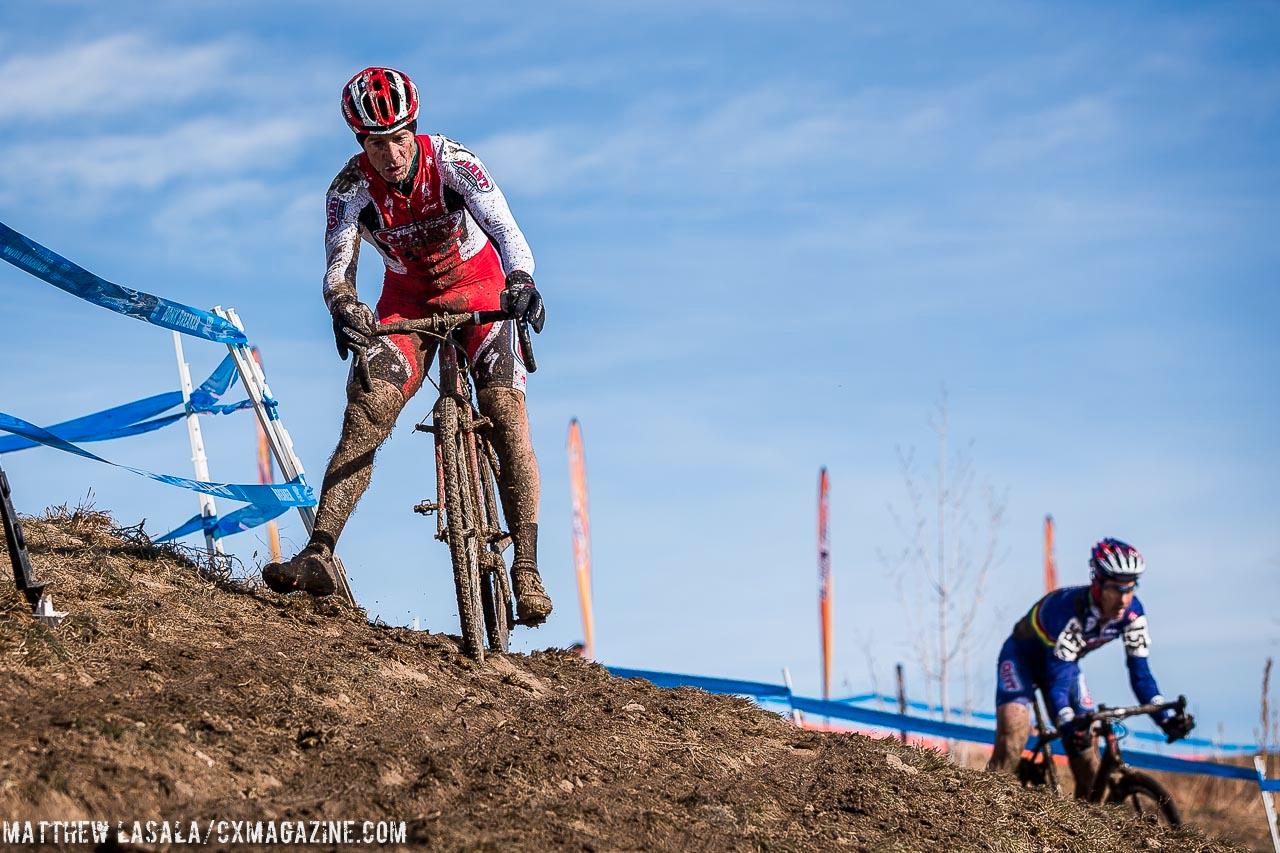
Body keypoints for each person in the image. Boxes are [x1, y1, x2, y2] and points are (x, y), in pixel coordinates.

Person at [262, 67, 552, 626]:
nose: (392, 154)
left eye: (399, 138)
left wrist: (521, 282)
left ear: (413, 129)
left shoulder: (452, 163)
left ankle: (528, 567)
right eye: (376, 143)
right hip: (407, 304)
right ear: (359, 143)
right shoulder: (347, 192)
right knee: (366, 412)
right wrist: (345, 309)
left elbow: (509, 232)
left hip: (480, 286)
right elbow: (338, 273)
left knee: (505, 412)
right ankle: (320, 552)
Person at [986, 538, 1194, 797]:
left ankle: (1085, 824)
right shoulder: (1070, 612)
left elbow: (1140, 673)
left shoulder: (1133, 614)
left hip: (1065, 664)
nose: (1123, 599)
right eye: (1116, 589)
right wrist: (1067, 722)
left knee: (1088, 757)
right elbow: (1057, 683)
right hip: (1022, 659)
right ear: (1098, 583)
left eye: (1130, 588)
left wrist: (1164, 718)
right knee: (1014, 736)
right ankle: (983, 805)